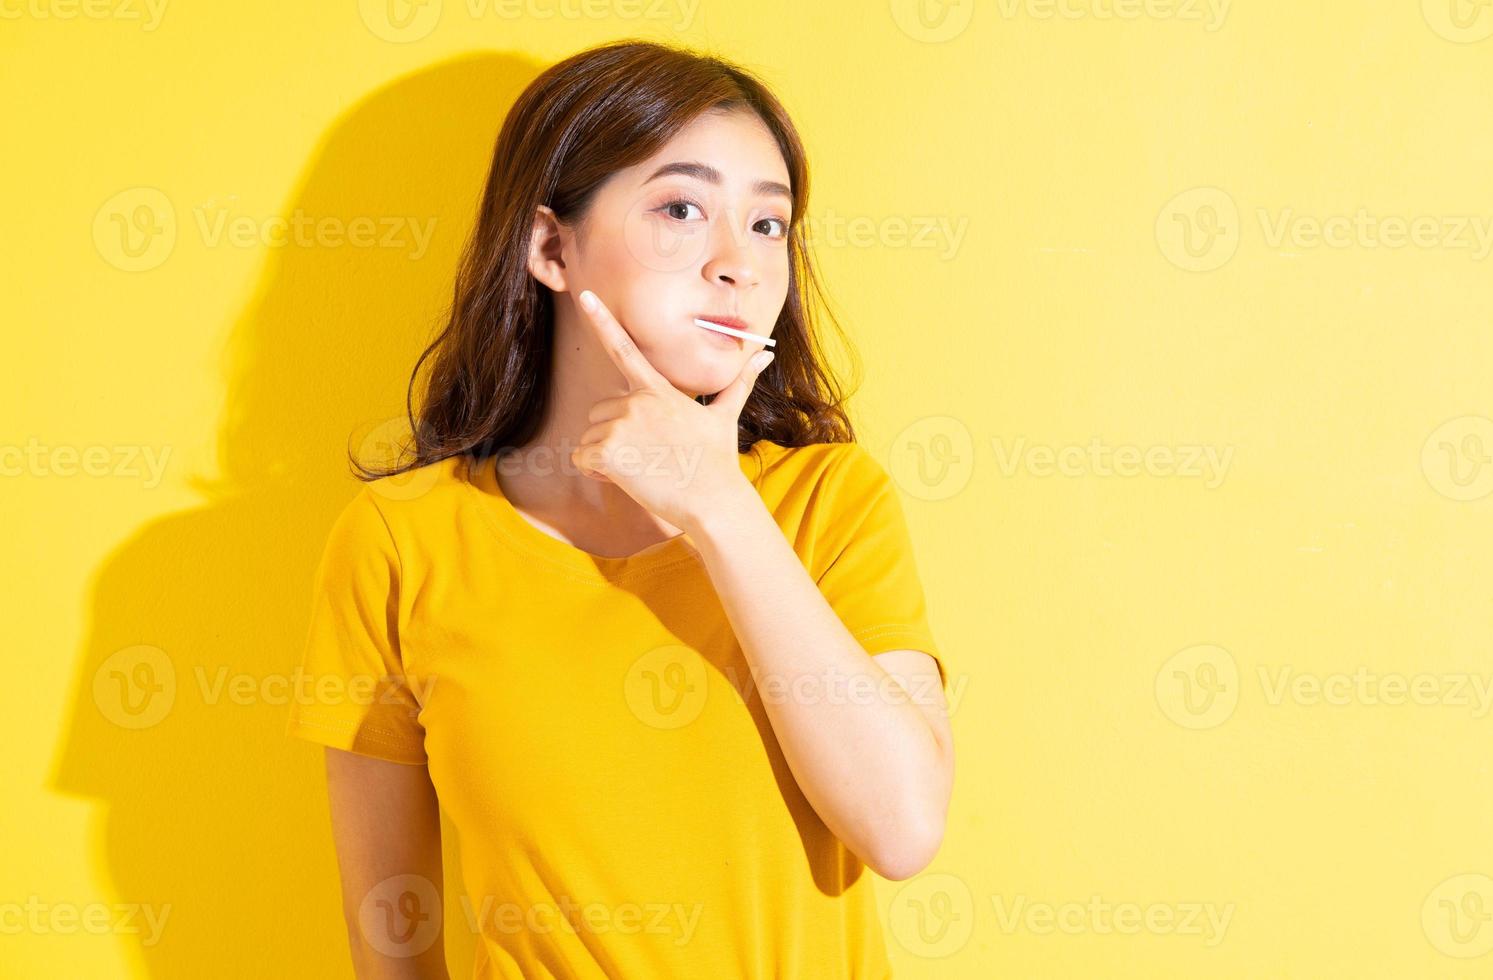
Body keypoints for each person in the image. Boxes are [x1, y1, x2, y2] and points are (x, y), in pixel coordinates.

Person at [286, 38, 954, 980]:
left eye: (769, 225)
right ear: (551, 246)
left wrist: (717, 506)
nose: (741, 266)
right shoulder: (402, 540)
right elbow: (392, 929)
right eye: (680, 209)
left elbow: (901, 828)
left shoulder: (831, 503)